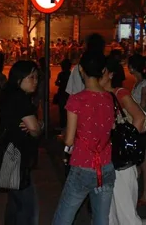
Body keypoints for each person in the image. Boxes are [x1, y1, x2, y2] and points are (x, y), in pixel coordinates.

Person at [53, 51, 115, 225]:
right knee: (101, 219)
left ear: (80, 69)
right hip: (106, 166)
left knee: (64, 217)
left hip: (83, 165)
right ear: (103, 70)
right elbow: (109, 129)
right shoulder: (109, 98)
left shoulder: (76, 100)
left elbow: (69, 140)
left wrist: (62, 137)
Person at [100, 58, 146, 225]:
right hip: (106, 159)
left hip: (121, 162)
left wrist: (126, 146)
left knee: (125, 213)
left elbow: (139, 118)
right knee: (109, 213)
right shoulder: (100, 95)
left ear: (111, 74)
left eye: (102, 71)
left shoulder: (120, 93)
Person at [0, 60, 42, 225]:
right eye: (31, 77)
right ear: (19, 79)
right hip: (18, 156)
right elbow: (35, 129)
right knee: (28, 206)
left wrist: (37, 125)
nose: (35, 81)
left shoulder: (8, 94)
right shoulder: (21, 99)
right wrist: (38, 126)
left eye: (37, 77)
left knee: (15, 202)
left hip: (8, 153)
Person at [128, 53, 146, 206]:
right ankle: (137, 192)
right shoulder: (138, 83)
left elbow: (143, 105)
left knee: (143, 161)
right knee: (138, 161)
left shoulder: (144, 84)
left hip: (143, 128)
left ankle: (145, 195)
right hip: (139, 126)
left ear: (132, 67)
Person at [54, 59, 72, 130]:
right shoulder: (71, 74)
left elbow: (57, 82)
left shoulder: (61, 74)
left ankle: (62, 125)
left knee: (62, 110)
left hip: (62, 93)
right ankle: (68, 125)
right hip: (68, 94)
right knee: (69, 110)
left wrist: (61, 84)